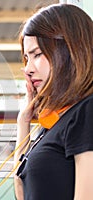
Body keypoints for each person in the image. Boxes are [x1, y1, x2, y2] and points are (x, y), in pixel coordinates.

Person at [13, 3, 93, 200]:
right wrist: (23, 122)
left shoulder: (87, 112)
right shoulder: (56, 121)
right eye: (26, 58)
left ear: (69, 51)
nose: (28, 69)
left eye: (37, 55)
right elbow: (21, 189)